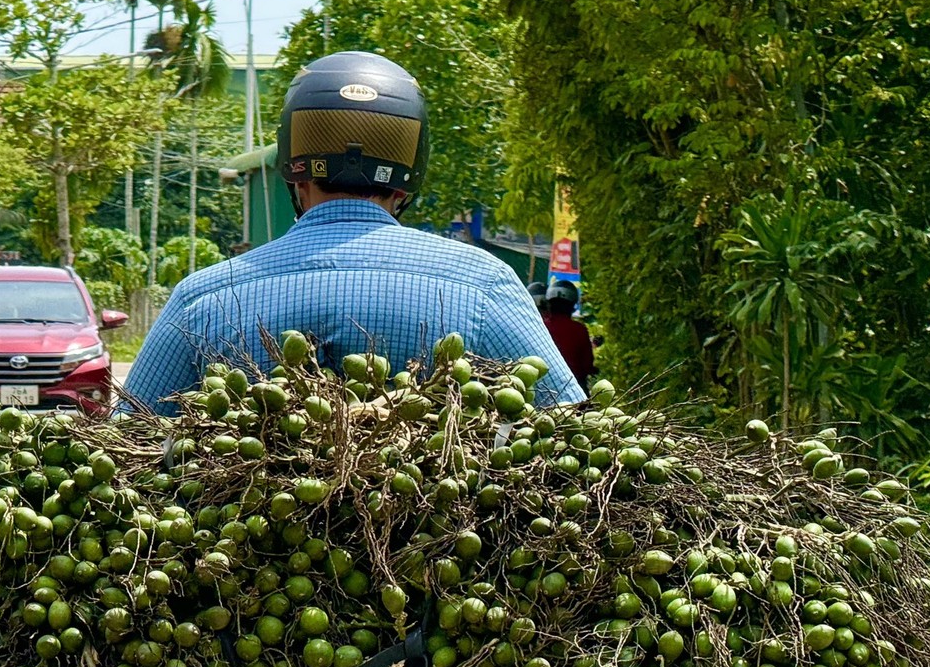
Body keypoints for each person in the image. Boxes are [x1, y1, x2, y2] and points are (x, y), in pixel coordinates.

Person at [124, 51, 585, 412]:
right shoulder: (485, 283)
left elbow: (132, 445)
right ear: (410, 174)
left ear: (293, 173)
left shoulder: (204, 297)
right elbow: (570, 433)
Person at [540, 281, 596, 386]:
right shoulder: (580, 330)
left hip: (543, 383)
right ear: (572, 305)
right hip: (573, 384)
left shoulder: (541, 325)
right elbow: (587, 365)